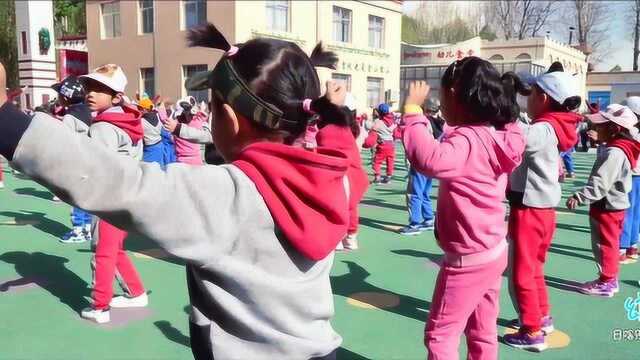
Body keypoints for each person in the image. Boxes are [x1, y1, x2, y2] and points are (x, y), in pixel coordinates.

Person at [0, 22, 353, 358]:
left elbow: (114, 182)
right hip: (319, 349)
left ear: (227, 118)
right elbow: (340, 151)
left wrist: (3, 118)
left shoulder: (227, 197)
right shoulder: (334, 178)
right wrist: (335, 118)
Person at [402, 57, 526, 359]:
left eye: (442, 96)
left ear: (455, 94)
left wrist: (412, 112)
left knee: (440, 334)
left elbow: (428, 159)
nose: (440, 102)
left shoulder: (468, 140)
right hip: (492, 250)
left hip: (466, 259)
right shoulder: (495, 136)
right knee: (482, 330)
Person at [503, 67, 582, 352]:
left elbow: (517, 136)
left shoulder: (543, 129)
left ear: (545, 99)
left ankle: (532, 331)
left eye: (532, 94)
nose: (529, 99)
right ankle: (541, 316)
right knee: (534, 268)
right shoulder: (556, 125)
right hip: (543, 210)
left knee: (521, 272)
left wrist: (503, 105)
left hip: (529, 208)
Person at [77, 64, 148, 323]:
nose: (90, 93)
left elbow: (94, 165)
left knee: (103, 251)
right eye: (88, 87)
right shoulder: (130, 120)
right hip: (128, 196)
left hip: (109, 198)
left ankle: (100, 307)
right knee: (115, 249)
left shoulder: (104, 127)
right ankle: (137, 292)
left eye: (99, 89)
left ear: (116, 97)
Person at [567, 104, 640, 297]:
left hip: (607, 207)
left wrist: (579, 196)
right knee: (610, 243)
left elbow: (601, 182)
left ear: (614, 129)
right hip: (614, 205)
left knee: (604, 244)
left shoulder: (614, 153)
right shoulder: (621, 148)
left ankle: (607, 281)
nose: (596, 129)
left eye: (601, 126)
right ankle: (608, 278)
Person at [51, 76, 95, 243]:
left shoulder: (70, 117)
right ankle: (88, 229)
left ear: (66, 97)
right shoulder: (87, 111)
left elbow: (66, 142)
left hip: (77, 162)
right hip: (91, 160)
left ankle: (78, 231)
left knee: (76, 198)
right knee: (87, 198)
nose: (58, 98)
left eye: (60, 95)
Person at [399, 98, 442, 236]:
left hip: (420, 161)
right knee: (424, 191)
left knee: (414, 192)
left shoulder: (419, 124)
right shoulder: (437, 122)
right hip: (431, 161)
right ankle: (428, 218)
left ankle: (414, 223)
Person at [619, 96, 640, 263]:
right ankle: (633, 246)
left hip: (631, 175)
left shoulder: (630, 131)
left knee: (625, 212)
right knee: (636, 213)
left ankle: (622, 248)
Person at [369, 103, 397, 184]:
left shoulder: (378, 122)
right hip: (391, 144)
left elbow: (372, 130)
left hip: (382, 143)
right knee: (390, 161)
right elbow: (395, 132)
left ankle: (377, 177)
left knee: (377, 161)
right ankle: (388, 177)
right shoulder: (393, 122)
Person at [136, 97, 167, 168]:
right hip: (160, 145)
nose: (137, 109)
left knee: (148, 170)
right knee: (160, 168)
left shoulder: (141, 121)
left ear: (144, 109)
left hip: (150, 149)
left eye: (139, 108)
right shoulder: (158, 115)